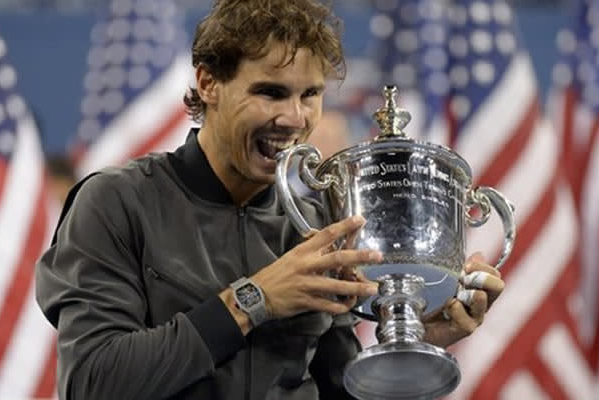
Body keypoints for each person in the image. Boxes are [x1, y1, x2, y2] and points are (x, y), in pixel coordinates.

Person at [35, 1, 505, 399]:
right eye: (270, 92)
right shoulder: (114, 201)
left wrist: (413, 344)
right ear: (208, 83)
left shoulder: (321, 221)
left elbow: (340, 388)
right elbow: (92, 381)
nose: (294, 118)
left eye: (310, 95)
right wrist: (253, 301)